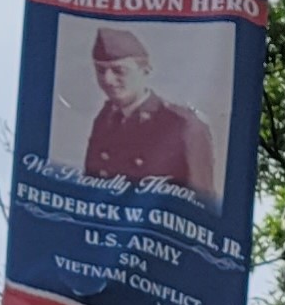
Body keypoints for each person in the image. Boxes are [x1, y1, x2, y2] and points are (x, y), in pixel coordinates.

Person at [84, 27, 215, 198]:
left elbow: (203, 204)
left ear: (145, 71)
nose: (107, 80)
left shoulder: (184, 125)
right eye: (101, 70)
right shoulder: (105, 119)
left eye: (119, 70)